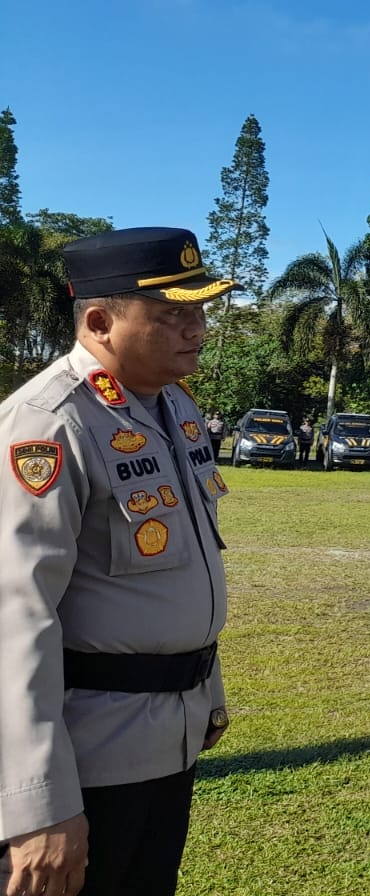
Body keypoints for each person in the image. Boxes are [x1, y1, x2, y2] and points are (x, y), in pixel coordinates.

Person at [0, 226, 233, 896]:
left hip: (170, 740)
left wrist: (206, 689)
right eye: (173, 315)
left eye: (199, 312)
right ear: (100, 321)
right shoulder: (50, 423)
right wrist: (38, 802)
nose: (197, 330)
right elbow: (16, 620)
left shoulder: (174, 410)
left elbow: (189, 568)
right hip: (89, 758)